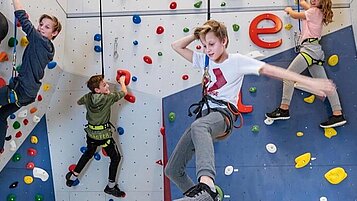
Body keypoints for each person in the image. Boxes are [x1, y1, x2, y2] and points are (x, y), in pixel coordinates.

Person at [164, 19, 336, 201]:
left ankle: (207, 186)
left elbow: (275, 71)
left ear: (224, 40)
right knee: (173, 170)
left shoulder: (236, 61)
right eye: (204, 45)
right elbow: (177, 46)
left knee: (199, 126)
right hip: (206, 118)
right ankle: (202, 198)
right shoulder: (205, 60)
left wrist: (311, 82)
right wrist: (196, 34)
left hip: (223, 115)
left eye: (212, 44)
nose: (208, 49)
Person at [265, 0, 347, 128]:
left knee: (288, 76)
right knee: (326, 85)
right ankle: (338, 114)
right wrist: (301, 2)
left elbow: (295, 15)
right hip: (315, 50)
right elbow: (307, 6)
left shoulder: (313, 11)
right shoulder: (317, 11)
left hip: (309, 50)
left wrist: (288, 10)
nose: (313, 0)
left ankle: (284, 109)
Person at [0, 0, 62, 154]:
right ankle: (0, 148)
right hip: (28, 94)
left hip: (22, 90)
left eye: (47, 27)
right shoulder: (49, 49)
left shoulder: (39, 40)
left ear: (54, 33)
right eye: (41, 24)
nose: (41, 27)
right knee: (1, 116)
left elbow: (22, 17)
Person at [65, 75, 127, 198]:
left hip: (91, 134)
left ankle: (72, 178)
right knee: (116, 158)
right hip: (104, 136)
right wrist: (122, 82)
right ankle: (110, 187)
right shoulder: (107, 98)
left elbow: (78, 102)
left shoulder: (88, 97)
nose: (108, 86)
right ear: (97, 90)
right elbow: (124, 92)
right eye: (104, 85)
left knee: (88, 154)